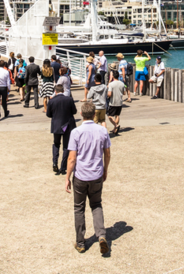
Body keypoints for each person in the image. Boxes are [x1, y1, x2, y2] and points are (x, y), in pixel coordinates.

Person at [65, 102, 111, 255]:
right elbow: (107, 153)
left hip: (81, 175)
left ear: (81, 113)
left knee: (79, 208)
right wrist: (105, 169)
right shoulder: (102, 131)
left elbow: (72, 158)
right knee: (96, 204)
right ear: (94, 114)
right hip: (96, 174)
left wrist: (67, 177)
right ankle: (101, 235)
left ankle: (80, 242)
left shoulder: (76, 132)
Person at [47, 84, 77, 175]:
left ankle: (54, 162)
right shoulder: (69, 99)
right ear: (63, 90)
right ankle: (63, 167)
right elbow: (74, 111)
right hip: (67, 125)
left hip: (56, 124)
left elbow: (48, 114)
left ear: (55, 91)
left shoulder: (51, 101)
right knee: (66, 146)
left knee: (56, 144)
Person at [107, 70, 126, 135]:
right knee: (117, 115)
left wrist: (106, 95)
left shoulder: (111, 84)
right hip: (120, 102)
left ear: (112, 76)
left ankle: (116, 126)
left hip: (113, 102)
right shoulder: (122, 83)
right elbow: (124, 93)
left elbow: (109, 94)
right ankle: (115, 129)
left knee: (109, 116)